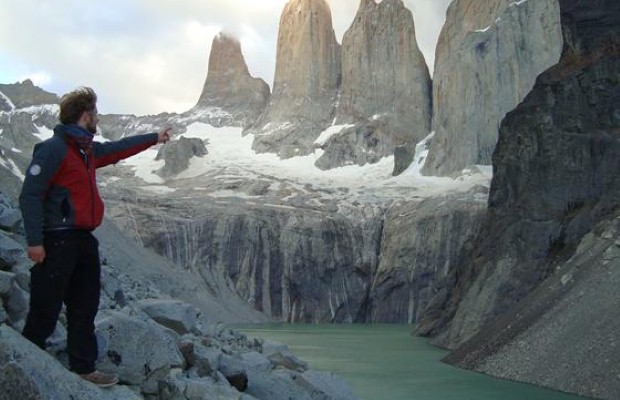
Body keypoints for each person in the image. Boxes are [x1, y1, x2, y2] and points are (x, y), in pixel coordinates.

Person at [19, 86, 171, 387]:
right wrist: (35, 241)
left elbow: (118, 148)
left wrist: (154, 138)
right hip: (56, 239)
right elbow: (30, 195)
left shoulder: (86, 152)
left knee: (85, 305)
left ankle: (83, 367)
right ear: (83, 115)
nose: (97, 118)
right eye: (94, 114)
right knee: (46, 307)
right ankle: (23, 360)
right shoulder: (53, 149)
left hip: (83, 240)